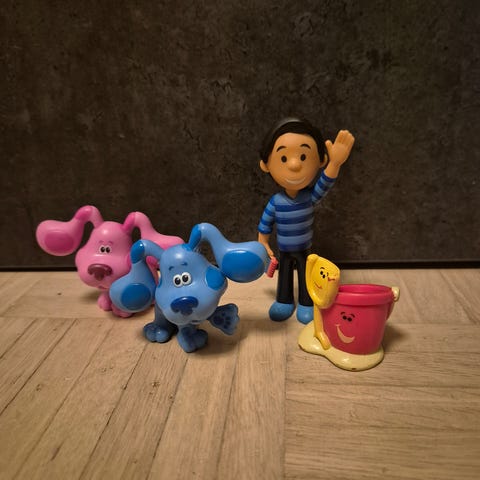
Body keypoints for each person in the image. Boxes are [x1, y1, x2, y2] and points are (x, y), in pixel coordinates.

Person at [257, 117, 354, 323]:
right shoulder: (276, 202)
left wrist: (335, 163)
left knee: (305, 275)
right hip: (284, 250)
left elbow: (324, 184)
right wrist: (263, 243)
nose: (294, 165)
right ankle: (283, 300)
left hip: (304, 250)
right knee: (284, 275)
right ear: (266, 165)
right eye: (283, 158)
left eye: (303, 156)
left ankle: (306, 302)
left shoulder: (309, 197)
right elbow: (265, 225)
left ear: (320, 160)